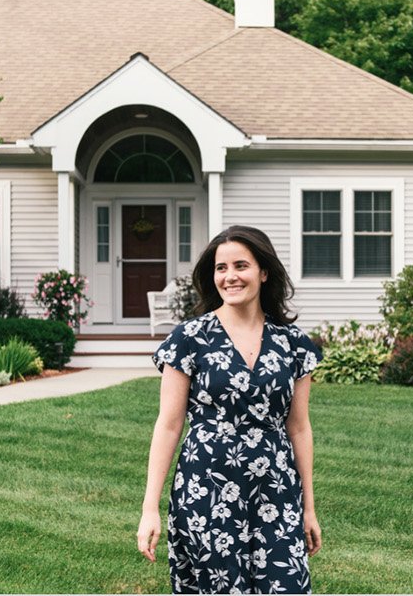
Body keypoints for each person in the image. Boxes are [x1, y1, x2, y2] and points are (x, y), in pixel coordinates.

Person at [136, 225, 323, 594]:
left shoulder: (293, 344)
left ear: (263, 272)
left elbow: (298, 427)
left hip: (276, 491)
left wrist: (309, 507)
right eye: (221, 268)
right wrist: (149, 508)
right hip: (206, 490)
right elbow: (169, 425)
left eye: (241, 265)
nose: (230, 276)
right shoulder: (190, 339)